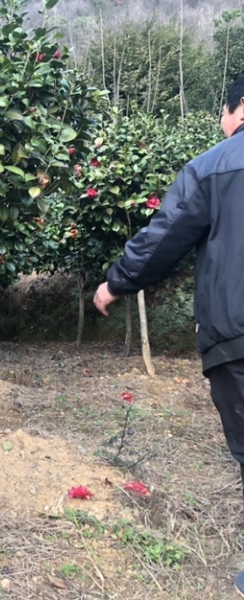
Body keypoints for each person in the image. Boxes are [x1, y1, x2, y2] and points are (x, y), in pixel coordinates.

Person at [94, 75, 244, 596]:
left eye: (223, 112)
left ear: (241, 107)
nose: (221, 124)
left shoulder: (216, 166)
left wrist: (116, 283)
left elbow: (166, 235)